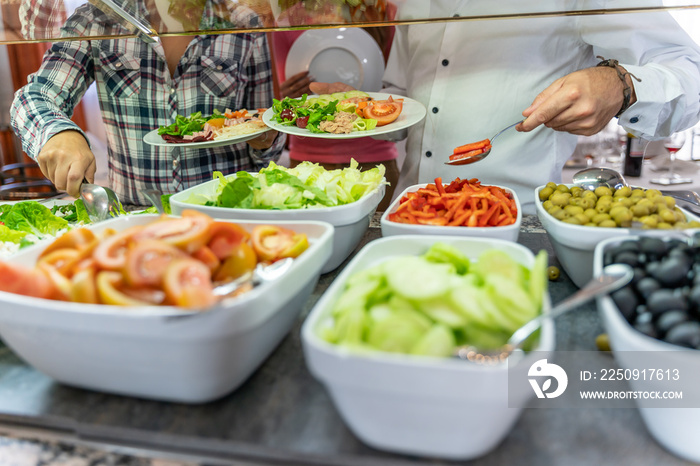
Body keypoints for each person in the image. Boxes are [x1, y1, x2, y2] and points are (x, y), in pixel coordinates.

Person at [313, 1, 700, 214]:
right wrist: (358, 108)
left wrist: (621, 83)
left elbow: (690, 70)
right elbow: (405, 98)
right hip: (409, 210)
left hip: (516, 219)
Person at [11, 0, 285, 206]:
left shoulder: (244, 21)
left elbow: (264, 131)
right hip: (138, 216)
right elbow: (34, 97)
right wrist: (59, 133)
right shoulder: (96, 20)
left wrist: (267, 139)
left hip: (229, 208)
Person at [269, 1, 400, 211]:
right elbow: (282, 99)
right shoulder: (287, 22)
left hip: (374, 158)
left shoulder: (383, 13)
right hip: (309, 162)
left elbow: (395, 88)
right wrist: (289, 95)